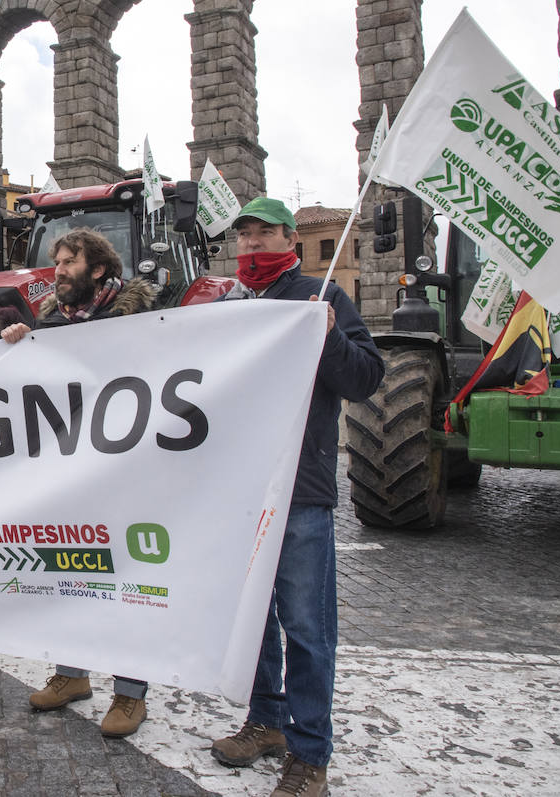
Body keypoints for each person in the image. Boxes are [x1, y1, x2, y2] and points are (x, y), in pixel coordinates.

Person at [207, 197, 383, 797]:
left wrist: (329, 337)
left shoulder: (323, 297)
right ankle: (265, 721)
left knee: (307, 627)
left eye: (264, 233)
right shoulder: (227, 304)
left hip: (301, 488)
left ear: (289, 238)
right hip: (239, 486)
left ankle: (310, 756)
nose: (252, 243)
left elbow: (364, 378)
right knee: (253, 617)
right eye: (245, 235)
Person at [2, 227, 158, 738]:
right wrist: (12, 348)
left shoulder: (141, 320)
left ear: (97, 270)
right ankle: (71, 675)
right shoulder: (48, 323)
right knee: (66, 577)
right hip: (66, 476)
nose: (58, 270)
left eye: (68, 262)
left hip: (123, 474)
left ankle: (130, 695)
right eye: (56, 261)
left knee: (126, 584)